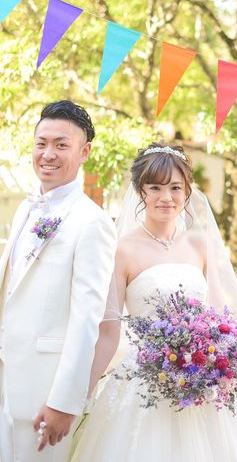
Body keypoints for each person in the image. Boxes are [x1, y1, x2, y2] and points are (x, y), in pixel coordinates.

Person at [71, 143, 237, 461]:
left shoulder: (199, 244)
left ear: (187, 191)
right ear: (140, 191)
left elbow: (221, 316)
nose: (166, 197)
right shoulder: (123, 249)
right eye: (155, 187)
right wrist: (81, 393)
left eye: (175, 187)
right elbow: (108, 332)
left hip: (204, 380)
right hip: (146, 383)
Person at [0, 100, 117, 461]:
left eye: (61, 145)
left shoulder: (92, 222)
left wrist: (65, 402)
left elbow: (87, 319)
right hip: (5, 383)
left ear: (85, 152)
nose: (48, 154)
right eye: (42, 143)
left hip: (43, 393)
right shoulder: (25, 208)